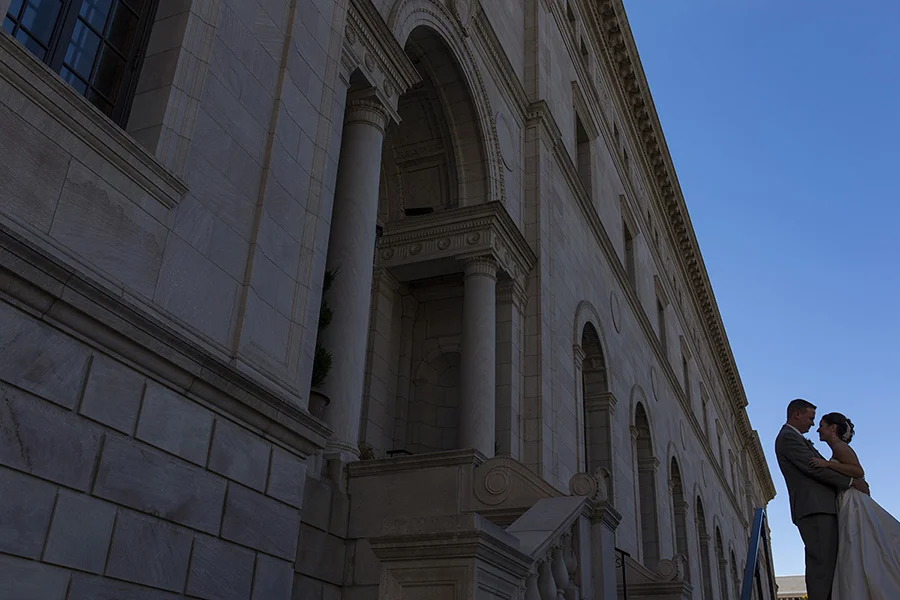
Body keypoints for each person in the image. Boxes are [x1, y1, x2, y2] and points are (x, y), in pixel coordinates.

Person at [774, 399, 870, 600]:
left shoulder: (797, 438)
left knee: (830, 564)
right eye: (810, 418)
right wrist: (851, 481)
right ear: (796, 414)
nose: (812, 424)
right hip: (815, 509)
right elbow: (813, 468)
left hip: (823, 507)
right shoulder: (788, 438)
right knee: (822, 567)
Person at [809, 411, 900, 598]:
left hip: (852, 500)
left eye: (822, 425)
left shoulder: (840, 447)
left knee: (857, 542)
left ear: (832, 428)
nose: (818, 429)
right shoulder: (836, 449)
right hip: (846, 498)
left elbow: (858, 470)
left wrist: (828, 465)